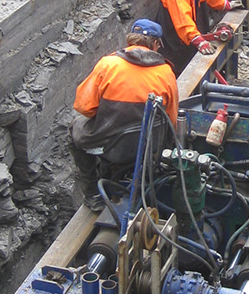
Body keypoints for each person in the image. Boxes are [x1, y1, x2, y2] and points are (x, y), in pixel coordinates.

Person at [68, 18, 179, 209]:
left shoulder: (108, 64)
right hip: (148, 145)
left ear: (130, 40)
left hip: (109, 144)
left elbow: (84, 107)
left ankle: (93, 194)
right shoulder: (166, 72)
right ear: (154, 44)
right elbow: (172, 119)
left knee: (74, 132)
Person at [156, 0, 241, 76]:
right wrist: (198, 41)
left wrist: (226, 5)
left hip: (188, 37)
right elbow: (183, 20)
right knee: (178, 71)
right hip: (174, 41)